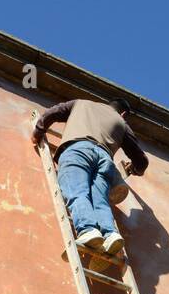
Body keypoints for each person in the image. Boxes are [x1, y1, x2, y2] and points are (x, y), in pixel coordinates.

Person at [32, 97, 149, 255]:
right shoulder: (122, 124)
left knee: (77, 191)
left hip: (78, 150)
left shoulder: (81, 103)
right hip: (105, 159)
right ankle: (109, 234)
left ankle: (87, 230)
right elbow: (141, 160)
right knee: (100, 200)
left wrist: (39, 131)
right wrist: (135, 169)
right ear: (122, 113)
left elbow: (54, 112)